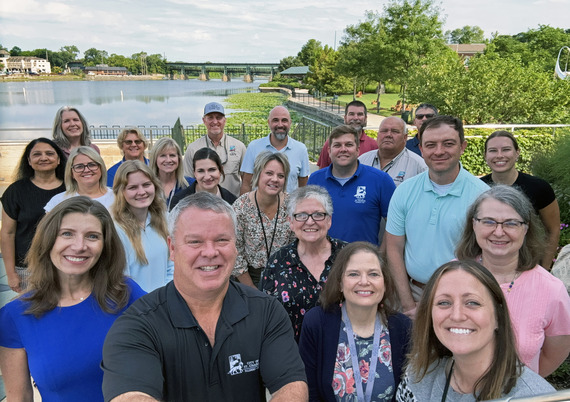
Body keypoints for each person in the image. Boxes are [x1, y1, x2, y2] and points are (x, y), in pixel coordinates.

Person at [102, 192, 308, 401]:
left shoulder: (266, 312)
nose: (210, 252)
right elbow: (131, 395)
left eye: (221, 240)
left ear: (236, 246)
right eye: (195, 242)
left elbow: (291, 386)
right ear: (172, 248)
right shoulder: (138, 324)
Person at [0, 197, 146, 402]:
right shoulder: (15, 315)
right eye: (67, 234)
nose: (79, 246)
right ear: (48, 239)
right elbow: (19, 397)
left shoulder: (125, 293)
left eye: (92, 236)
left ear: (105, 245)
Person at [396, 260, 556, 401]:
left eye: (472, 302)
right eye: (444, 303)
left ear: (498, 316)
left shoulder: (535, 397)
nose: (457, 315)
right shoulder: (419, 376)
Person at [455, 185, 570, 377]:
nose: (499, 232)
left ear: (526, 228)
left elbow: (556, 351)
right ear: (474, 224)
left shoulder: (551, 289)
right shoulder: (451, 277)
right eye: (489, 222)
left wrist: (525, 384)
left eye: (511, 223)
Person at [385, 116, 489, 316]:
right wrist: (408, 305)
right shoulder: (404, 191)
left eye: (448, 144)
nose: (439, 151)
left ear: (462, 146)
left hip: (463, 299)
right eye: (431, 145)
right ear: (421, 149)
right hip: (413, 294)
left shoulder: (482, 196)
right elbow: (394, 248)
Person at [299, 242, 412, 402]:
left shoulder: (403, 327)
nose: (364, 281)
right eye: (353, 274)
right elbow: (309, 391)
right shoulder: (317, 323)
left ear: (385, 283)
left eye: (373, 274)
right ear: (340, 283)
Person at [260, 185, 347, 342]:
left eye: (318, 215)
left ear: (329, 220)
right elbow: (264, 314)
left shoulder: (348, 256)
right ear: (291, 222)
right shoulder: (277, 261)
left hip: (343, 353)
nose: (310, 222)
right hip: (293, 353)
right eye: (301, 215)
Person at [480, 130, 560, 269]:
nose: (499, 155)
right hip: (487, 267)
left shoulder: (539, 187)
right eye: (493, 150)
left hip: (528, 265)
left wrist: (545, 268)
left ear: (517, 153)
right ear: (485, 155)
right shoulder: (478, 188)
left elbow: (553, 230)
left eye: (506, 149)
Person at [308, 124, 396, 246]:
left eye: (349, 145)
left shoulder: (380, 180)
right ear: (329, 151)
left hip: (363, 261)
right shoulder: (315, 179)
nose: (343, 149)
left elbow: (396, 226)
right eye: (337, 145)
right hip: (322, 260)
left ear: (357, 150)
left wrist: (381, 255)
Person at [1, 138, 66, 293]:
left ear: (58, 160)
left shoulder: (70, 189)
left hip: (64, 267)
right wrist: (11, 274)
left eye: (49, 153)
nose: (43, 157)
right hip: (27, 270)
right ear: (29, 161)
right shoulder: (16, 191)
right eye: (37, 154)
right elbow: (7, 233)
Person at [233, 151, 295, 288]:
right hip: (249, 278)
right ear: (257, 174)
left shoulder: (292, 205)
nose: (275, 179)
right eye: (269, 173)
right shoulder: (241, 207)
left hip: (285, 275)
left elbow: (296, 246)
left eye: (281, 175)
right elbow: (235, 253)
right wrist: (253, 291)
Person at [112, 161, 173, 293]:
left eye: (146, 185)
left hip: (164, 302)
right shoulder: (115, 229)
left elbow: (173, 263)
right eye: (133, 187)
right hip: (136, 307)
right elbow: (122, 281)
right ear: (121, 191)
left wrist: (164, 297)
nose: (142, 192)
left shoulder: (165, 219)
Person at [240, 105, 310, 194]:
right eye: (275, 120)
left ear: (290, 123)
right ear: (269, 123)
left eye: (284, 120)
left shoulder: (301, 149)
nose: (280, 125)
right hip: (259, 206)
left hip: (289, 206)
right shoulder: (253, 147)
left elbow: (303, 187)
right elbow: (246, 184)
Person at [182, 102, 246, 197]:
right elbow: (187, 181)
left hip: (232, 204)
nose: (215, 122)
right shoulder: (193, 149)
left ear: (224, 120)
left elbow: (247, 180)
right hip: (203, 204)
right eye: (210, 117)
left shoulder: (239, 147)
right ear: (204, 120)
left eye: (219, 117)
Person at [359, 116, 427, 186]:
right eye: (384, 131)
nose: (388, 135)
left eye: (395, 131)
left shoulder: (419, 166)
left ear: (405, 137)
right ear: (378, 135)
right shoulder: (362, 161)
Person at [44, 146, 115, 212]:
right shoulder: (58, 201)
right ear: (71, 173)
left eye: (92, 165)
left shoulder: (118, 198)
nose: (86, 170)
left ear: (101, 168)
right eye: (79, 166)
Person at [169, 147, 237, 211]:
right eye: (201, 171)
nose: (207, 177)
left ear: (220, 170)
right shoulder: (179, 201)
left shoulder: (232, 201)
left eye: (212, 170)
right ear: (194, 173)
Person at [317, 100, 378, 168]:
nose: (355, 118)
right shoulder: (331, 143)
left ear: (365, 118)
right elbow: (322, 172)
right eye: (351, 114)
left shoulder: (374, 146)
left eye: (360, 114)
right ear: (345, 118)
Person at [148, 136, 190, 211]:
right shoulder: (146, 187)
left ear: (179, 159)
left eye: (172, 155)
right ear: (155, 159)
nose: (168, 160)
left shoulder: (190, 185)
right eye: (163, 156)